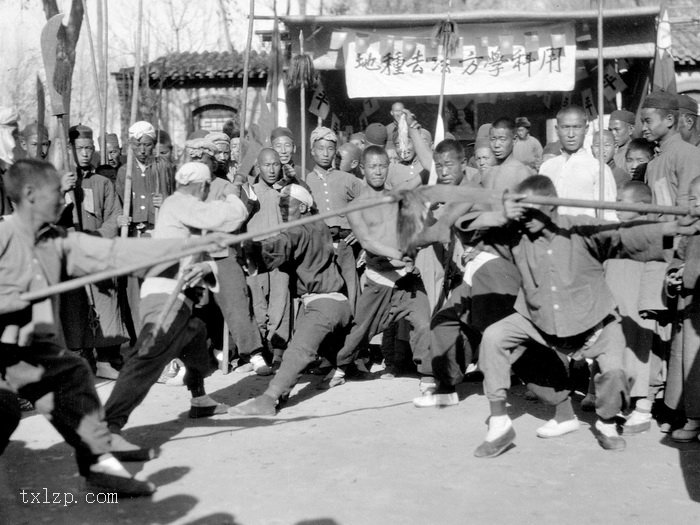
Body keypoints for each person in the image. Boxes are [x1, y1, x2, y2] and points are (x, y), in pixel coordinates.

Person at [0, 158, 222, 495]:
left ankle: (100, 469)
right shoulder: (3, 234)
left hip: (29, 349)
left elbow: (114, 252)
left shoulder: (58, 241)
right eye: (57, 192)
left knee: (73, 377)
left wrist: (188, 246)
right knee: (4, 411)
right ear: (30, 194)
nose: (65, 198)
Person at [472, 175, 700, 458]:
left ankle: (606, 423)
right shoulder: (516, 232)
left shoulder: (581, 228)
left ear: (551, 208)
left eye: (530, 211)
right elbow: (469, 230)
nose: (525, 219)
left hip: (594, 324)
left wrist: (673, 226)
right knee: (494, 337)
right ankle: (499, 424)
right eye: (521, 212)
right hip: (536, 319)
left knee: (615, 373)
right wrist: (500, 214)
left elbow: (623, 234)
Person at [103, 162, 248, 448]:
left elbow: (196, 253)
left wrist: (207, 267)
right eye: (207, 188)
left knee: (196, 335)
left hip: (180, 296)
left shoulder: (183, 211)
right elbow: (232, 218)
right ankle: (107, 427)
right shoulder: (180, 202)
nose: (207, 193)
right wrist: (233, 193)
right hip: (163, 296)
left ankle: (200, 399)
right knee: (146, 358)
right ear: (202, 186)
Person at [229, 184, 352, 416]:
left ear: (304, 207)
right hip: (334, 303)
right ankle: (335, 370)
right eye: (280, 205)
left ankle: (269, 399)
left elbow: (282, 243)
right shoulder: (319, 225)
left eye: (288, 205)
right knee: (316, 348)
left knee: (297, 351)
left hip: (322, 305)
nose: (283, 209)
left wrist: (252, 247)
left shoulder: (299, 229)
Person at [323, 146, 432, 389]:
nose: (379, 171)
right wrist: (397, 253)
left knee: (424, 323)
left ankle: (428, 375)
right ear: (362, 169)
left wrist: (413, 132)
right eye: (373, 166)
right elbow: (367, 242)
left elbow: (427, 171)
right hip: (379, 279)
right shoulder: (356, 205)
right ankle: (341, 367)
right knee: (360, 332)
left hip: (407, 279)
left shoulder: (398, 194)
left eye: (383, 166)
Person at [62, 124, 129, 380]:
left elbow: (114, 216)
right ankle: (80, 359)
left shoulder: (103, 182)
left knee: (105, 302)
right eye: (80, 149)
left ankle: (106, 358)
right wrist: (62, 191)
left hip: (99, 252)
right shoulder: (63, 181)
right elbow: (51, 217)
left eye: (89, 148)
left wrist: (98, 238)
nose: (85, 153)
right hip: (73, 254)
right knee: (75, 307)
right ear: (71, 150)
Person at [603, 180, 669, 434]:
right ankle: (625, 403)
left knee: (640, 354)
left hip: (638, 306)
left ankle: (643, 408)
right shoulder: (617, 229)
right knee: (618, 352)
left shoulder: (654, 230)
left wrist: (650, 304)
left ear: (641, 206)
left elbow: (657, 267)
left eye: (622, 201)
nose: (616, 205)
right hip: (616, 303)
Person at [305, 126, 363, 309]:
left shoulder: (348, 179)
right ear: (312, 150)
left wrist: (358, 229)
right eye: (320, 148)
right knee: (324, 292)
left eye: (330, 149)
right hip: (320, 246)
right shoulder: (305, 181)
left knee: (350, 290)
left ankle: (352, 334)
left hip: (345, 245)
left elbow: (371, 201)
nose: (325, 153)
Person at [246, 148, 294, 369]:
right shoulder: (250, 192)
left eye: (276, 164)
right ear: (258, 166)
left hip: (280, 255)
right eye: (267, 165)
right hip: (255, 256)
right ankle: (259, 352)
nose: (272, 169)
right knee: (258, 304)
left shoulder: (285, 191)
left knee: (280, 303)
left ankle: (278, 351)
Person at [665, 175, 700, 442]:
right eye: (693, 199)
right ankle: (689, 416)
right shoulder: (690, 230)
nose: (697, 205)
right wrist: (674, 274)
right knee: (686, 361)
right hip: (690, 306)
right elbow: (677, 258)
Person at [540, 105, 617, 220]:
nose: (571, 134)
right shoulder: (547, 167)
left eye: (576, 127)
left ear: (586, 129)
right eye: (565, 127)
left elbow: (608, 214)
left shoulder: (598, 169)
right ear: (557, 130)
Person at [641, 91, 700, 214]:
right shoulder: (654, 161)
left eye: (648, 121)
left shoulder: (687, 154)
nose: (644, 128)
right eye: (642, 122)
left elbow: (689, 204)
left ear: (669, 120)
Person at [116, 121, 175, 237]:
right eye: (137, 145)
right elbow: (117, 202)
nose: (142, 150)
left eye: (147, 145)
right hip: (134, 234)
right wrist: (119, 218)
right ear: (131, 145)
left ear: (153, 145)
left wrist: (166, 202)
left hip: (160, 231)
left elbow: (178, 197)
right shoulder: (124, 171)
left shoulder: (163, 167)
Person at [482, 117, 532, 193]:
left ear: (514, 140)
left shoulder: (522, 172)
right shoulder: (486, 172)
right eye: (493, 139)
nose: (496, 145)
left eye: (502, 139)